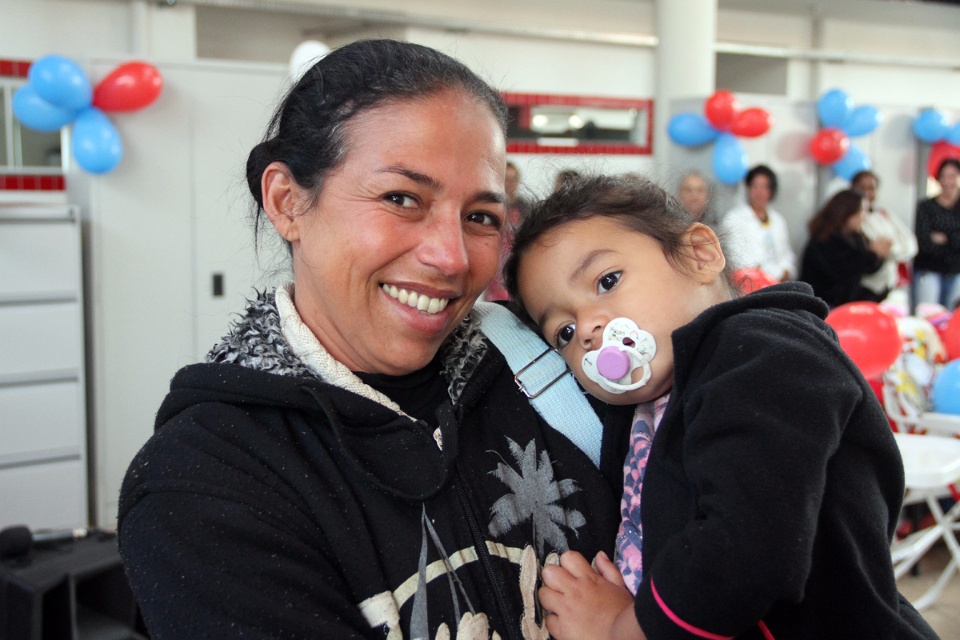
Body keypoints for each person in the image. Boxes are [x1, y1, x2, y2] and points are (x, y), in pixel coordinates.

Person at [116, 40, 629, 640]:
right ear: (287, 202)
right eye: (401, 199)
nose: (452, 257)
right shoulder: (204, 481)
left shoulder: (556, 362)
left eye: (482, 216)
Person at [503, 174, 937, 640]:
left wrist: (622, 628)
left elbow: (750, 543)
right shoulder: (649, 402)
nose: (588, 327)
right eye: (563, 333)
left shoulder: (764, 353)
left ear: (699, 255)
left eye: (607, 281)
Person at [799, 188, 892, 307]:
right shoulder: (824, 239)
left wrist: (880, 256)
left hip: (845, 301)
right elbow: (845, 270)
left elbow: (866, 269)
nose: (864, 217)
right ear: (847, 212)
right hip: (823, 303)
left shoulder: (856, 237)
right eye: (861, 211)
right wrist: (873, 254)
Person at [719, 164, 796, 282]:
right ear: (748, 188)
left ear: (772, 191)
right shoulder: (734, 218)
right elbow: (737, 259)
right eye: (755, 186)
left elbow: (787, 254)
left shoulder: (778, 220)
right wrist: (768, 276)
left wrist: (785, 271)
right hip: (749, 284)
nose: (759, 192)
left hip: (779, 283)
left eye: (765, 187)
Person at [851, 170, 918, 302]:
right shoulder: (854, 219)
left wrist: (889, 250)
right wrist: (886, 248)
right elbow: (870, 251)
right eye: (861, 188)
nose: (866, 193)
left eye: (871, 188)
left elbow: (910, 245)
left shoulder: (883, 215)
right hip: (865, 286)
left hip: (889, 284)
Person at [913, 158, 960, 311]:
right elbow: (924, 241)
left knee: (953, 317)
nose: (947, 181)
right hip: (929, 268)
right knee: (928, 314)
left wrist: (946, 238)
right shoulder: (927, 206)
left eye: (952, 176)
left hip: (956, 270)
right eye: (943, 176)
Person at [484, 160, 531, 301]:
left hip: (514, 257)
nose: (509, 183)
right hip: (495, 258)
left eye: (513, 179)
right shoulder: (490, 204)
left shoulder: (524, 206)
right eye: (506, 179)